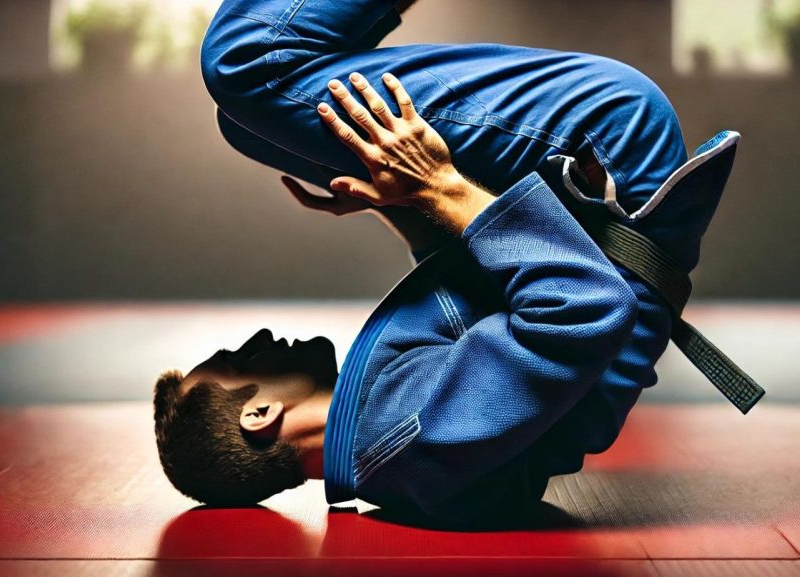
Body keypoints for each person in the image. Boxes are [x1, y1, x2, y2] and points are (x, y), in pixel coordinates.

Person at [154, 0, 760, 524]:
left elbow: (486, 305)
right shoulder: (412, 441)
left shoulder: (391, 442)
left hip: (580, 203)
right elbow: (582, 309)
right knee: (246, 66)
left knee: (249, 126)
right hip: (611, 161)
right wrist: (441, 187)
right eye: (237, 360)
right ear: (260, 414)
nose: (256, 339)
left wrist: (398, 202)